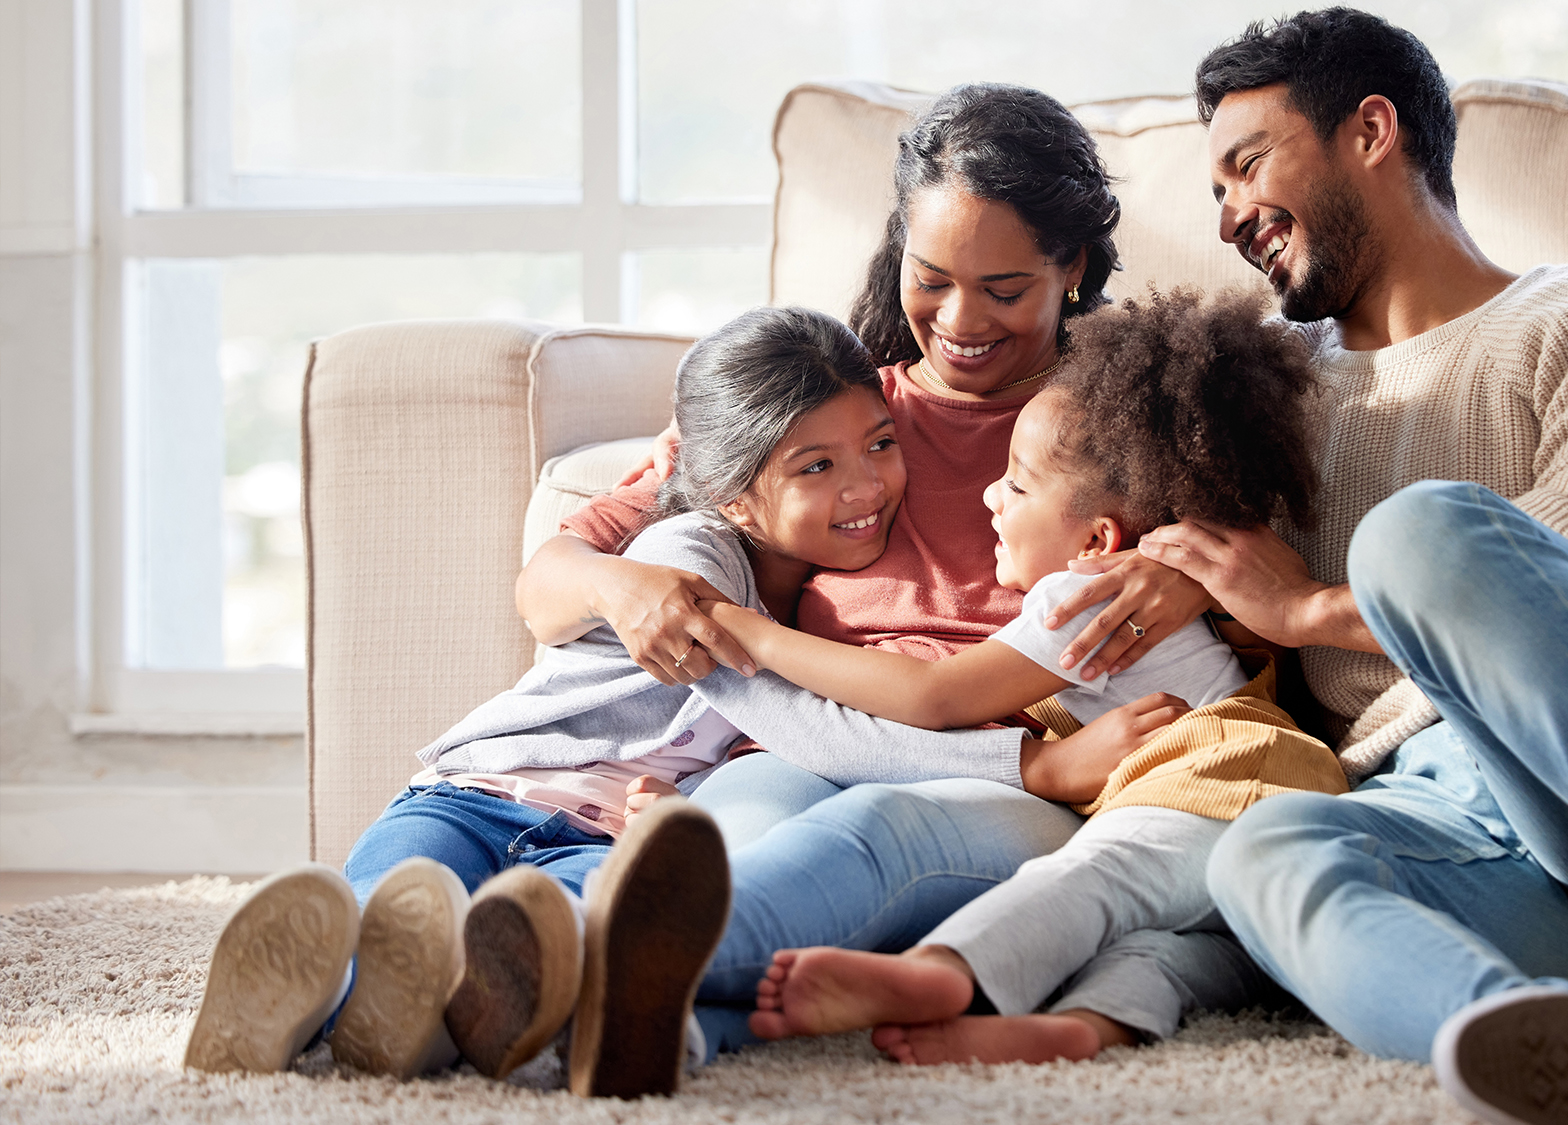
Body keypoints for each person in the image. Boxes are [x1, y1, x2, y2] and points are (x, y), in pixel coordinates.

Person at [1036, 10, 1568, 1125]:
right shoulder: (1259, 383)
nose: (1229, 216)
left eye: (1245, 165)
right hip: (1443, 817)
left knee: (1421, 530)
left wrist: (1305, 607)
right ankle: (1546, 1048)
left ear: (1371, 129)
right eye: (1211, 192)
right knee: (1262, 854)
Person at [516, 83, 1270, 1091]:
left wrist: (1179, 573)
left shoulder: (1122, 415)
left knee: (866, 840)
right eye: (932, 279)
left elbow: (1253, 582)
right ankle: (663, 1030)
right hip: (808, 734)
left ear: (1072, 269)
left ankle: (549, 967)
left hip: (1005, 767)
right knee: (726, 840)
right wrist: (623, 590)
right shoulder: (832, 401)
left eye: (1003, 290)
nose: (959, 323)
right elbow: (552, 578)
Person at [183, 306, 1147, 1093]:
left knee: (528, 955)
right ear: (731, 496)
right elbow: (813, 727)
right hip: (477, 793)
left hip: (599, 841)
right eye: (815, 466)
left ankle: (400, 1030)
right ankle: (302, 997)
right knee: (382, 908)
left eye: (880, 442)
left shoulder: (804, 585)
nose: (868, 487)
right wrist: (1025, 764)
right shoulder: (691, 567)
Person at [708, 290, 1345, 1065]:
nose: (988, 495)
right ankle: (1080, 1028)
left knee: (1098, 877)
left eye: (1014, 484)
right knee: (1167, 943)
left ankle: (942, 972)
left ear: (1098, 536)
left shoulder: (1080, 595)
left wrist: (757, 637)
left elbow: (932, 697)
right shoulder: (1136, 579)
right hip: (1253, 799)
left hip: (1229, 776)